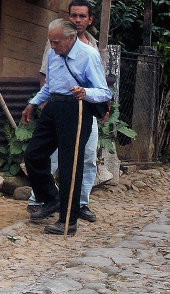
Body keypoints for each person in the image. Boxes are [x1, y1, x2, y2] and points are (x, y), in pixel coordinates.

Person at [20, 19, 112, 235]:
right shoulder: (53, 54)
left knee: (70, 164)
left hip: (77, 109)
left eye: (56, 42)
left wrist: (86, 93)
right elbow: (51, 85)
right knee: (33, 155)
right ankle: (50, 198)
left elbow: (104, 91)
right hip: (54, 106)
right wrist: (33, 102)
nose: (53, 47)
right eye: (51, 42)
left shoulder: (88, 55)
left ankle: (68, 221)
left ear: (71, 39)